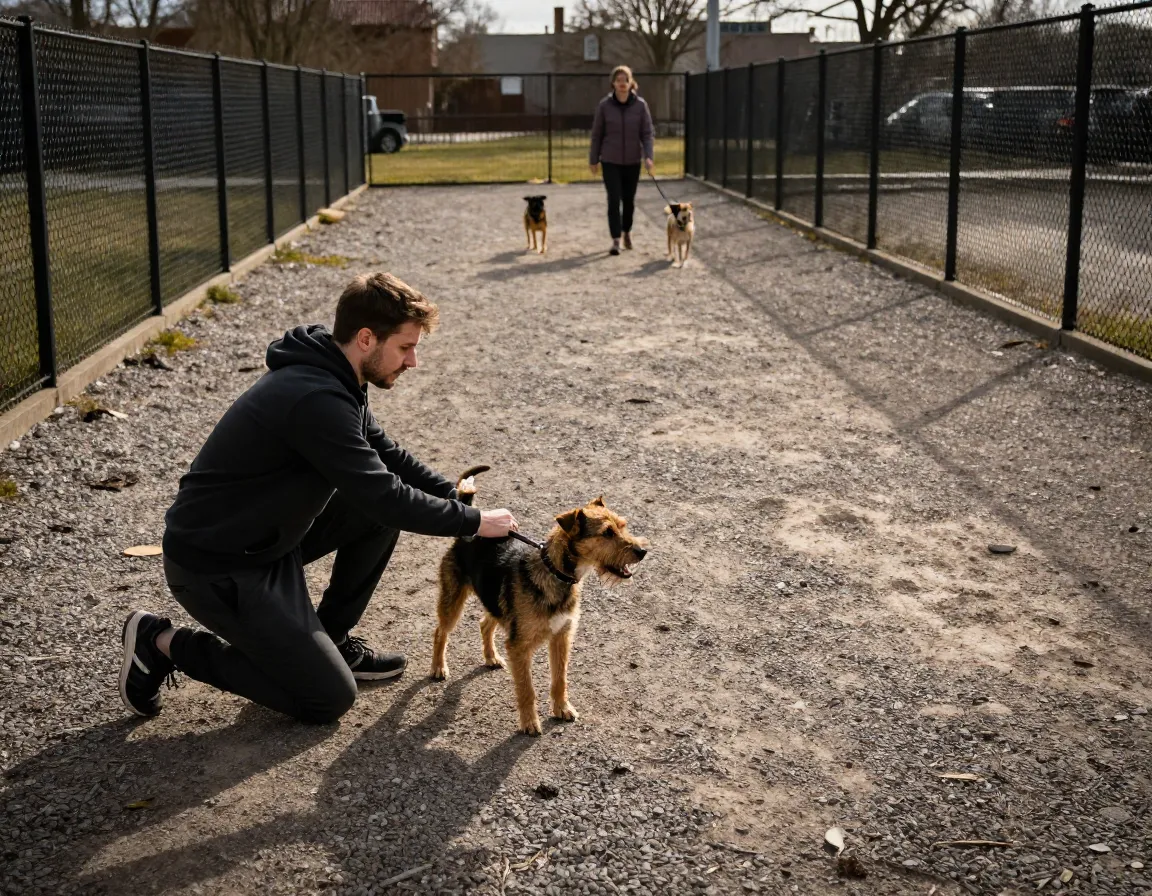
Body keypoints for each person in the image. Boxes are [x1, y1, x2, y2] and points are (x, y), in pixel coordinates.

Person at [118, 272, 519, 725]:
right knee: (325, 699)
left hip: (269, 541)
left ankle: (330, 637)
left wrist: (454, 495)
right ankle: (161, 643)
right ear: (367, 338)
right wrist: (473, 522)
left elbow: (386, 454)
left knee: (374, 515)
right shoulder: (313, 398)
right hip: (220, 566)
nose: (413, 362)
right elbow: (385, 494)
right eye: (406, 347)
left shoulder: (338, 373)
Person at [589, 65, 656, 256]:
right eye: (618, 80)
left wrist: (648, 157)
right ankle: (616, 239)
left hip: (633, 160)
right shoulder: (604, 106)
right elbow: (597, 135)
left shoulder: (640, 105)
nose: (622, 83)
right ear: (613, 83)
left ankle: (627, 231)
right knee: (613, 199)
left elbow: (647, 133)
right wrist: (594, 159)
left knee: (628, 200)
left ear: (630, 82)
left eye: (625, 80)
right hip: (610, 159)